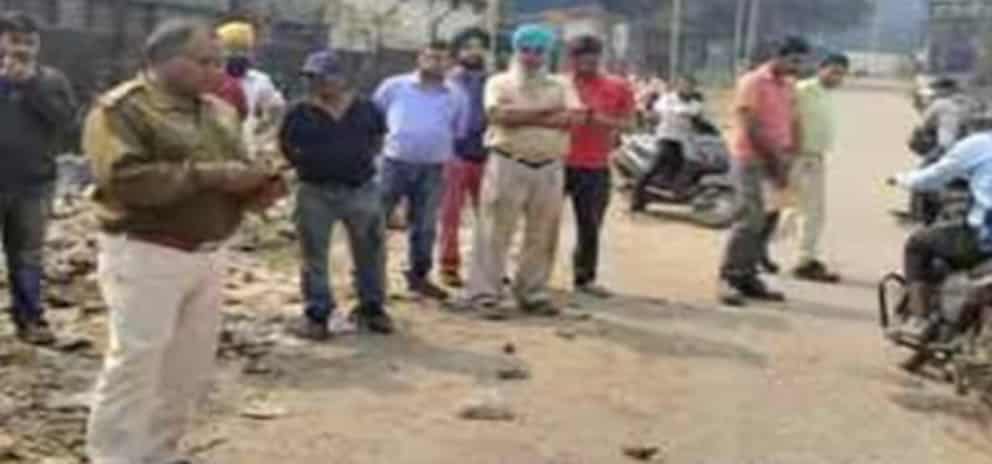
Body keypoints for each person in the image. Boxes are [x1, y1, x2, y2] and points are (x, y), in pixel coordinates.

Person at [84, 19, 284, 463]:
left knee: (186, 369)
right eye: (205, 62)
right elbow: (125, 181)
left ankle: (159, 453)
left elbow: (237, 170)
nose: (218, 71)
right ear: (163, 60)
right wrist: (212, 176)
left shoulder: (220, 111)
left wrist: (259, 187)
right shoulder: (123, 110)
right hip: (147, 251)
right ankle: (113, 456)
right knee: (137, 363)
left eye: (220, 62)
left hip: (208, 253)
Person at [460, 24, 583, 318]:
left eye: (538, 51)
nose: (532, 56)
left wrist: (521, 116)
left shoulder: (562, 85)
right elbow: (498, 115)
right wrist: (548, 114)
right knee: (494, 231)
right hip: (507, 162)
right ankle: (485, 293)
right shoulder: (499, 82)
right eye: (526, 50)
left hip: (550, 165)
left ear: (547, 54)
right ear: (516, 52)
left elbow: (575, 118)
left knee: (543, 233)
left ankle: (532, 292)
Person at [280, 50, 393, 339]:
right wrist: (307, 165)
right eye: (311, 77)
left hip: (360, 188)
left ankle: (371, 307)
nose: (316, 83)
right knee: (313, 255)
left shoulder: (367, 109)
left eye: (323, 77)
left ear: (342, 79)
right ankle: (318, 313)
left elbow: (378, 141)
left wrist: (356, 163)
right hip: (315, 190)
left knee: (370, 251)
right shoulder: (299, 112)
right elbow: (286, 147)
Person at [0, 12, 77, 345]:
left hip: (34, 183)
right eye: (15, 41)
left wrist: (30, 86)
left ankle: (30, 319)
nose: (23, 49)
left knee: (28, 256)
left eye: (30, 43)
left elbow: (67, 122)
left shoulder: (51, 81)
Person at [718, 36, 810, 307]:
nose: (797, 67)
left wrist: (791, 156)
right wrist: (773, 161)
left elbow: (794, 121)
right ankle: (729, 277)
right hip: (751, 159)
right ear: (778, 56)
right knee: (749, 218)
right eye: (793, 60)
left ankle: (748, 275)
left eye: (801, 62)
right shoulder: (753, 82)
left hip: (779, 159)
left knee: (770, 219)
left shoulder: (789, 86)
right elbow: (750, 125)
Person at [374, 40, 467, 300]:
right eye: (430, 57)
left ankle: (419, 276)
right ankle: (367, 275)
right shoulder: (394, 86)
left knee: (425, 225)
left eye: (442, 58)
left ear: (450, 63)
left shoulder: (456, 95)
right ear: (419, 58)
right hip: (394, 163)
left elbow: (458, 130)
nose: (435, 63)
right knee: (376, 220)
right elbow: (376, 118)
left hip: (433, 167)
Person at [889, 128, 992, 339]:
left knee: (917, 244)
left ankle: (920, 319)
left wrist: (901, 179)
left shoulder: (980, 145)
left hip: (981, 239)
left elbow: (932, 177)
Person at [563, 35, 635, 297]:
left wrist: (598, 119)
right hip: (556, 161)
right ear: (571, 60)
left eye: (591, 58)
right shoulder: (559, 86)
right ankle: (534, 276)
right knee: (542, 222)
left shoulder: (618, 86)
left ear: (599, 58)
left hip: (595, 165)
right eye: (579, 58)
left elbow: (630, 124)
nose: (586, 63)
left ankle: (584, 278)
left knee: (590, 225)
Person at [789, 54, 850, 282]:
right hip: (796, 156)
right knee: (801, 210)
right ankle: (803, 260)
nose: (837, 78)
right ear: (820, 68)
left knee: (808, 211)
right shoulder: (802, 90)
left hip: (815, 157)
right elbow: (787, 119)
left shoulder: (827, 94)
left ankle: (804, 257)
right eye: (833, 72)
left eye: (841, 74)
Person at [438, 27, 491, 288]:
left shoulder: (495, 82)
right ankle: (449, 265)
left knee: (490, 216)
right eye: (468, 47)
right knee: (451, 215)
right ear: (458, 52)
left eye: (479, 46)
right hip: (455, 155)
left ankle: (488, 267)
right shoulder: (447, 83)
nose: (473, 52)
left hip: (488, 155)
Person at [216, 20, 286, 160]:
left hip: (246, 150)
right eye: (232, 50)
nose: (238, 55)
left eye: (244, 50)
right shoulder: (208, 79)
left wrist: (263, 138)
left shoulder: (260, 81)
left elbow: (277, 110)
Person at [632, 74, 704, 210]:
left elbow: (699, 118)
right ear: (678, 86)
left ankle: (674, 191)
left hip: (683, 140)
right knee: (654, 166)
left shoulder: (696, 103)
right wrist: (683, 112)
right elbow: (661, 110)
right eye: (684, 85)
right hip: (666, 137)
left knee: (689, 164)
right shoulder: (668, 99)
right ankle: (636, 197)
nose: (687, 88)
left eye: (690, 86)